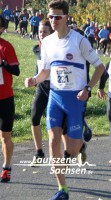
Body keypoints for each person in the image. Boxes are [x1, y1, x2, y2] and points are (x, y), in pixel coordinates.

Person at [24, 1, 105, 199]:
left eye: (57, 17)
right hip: (55, 96)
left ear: (66, 17)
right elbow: (45, 71)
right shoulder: (48, 42)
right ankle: (62, 190)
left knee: (72, 149)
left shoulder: (79, 40)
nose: (53, 20)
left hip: (76, 98)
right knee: (52, 140)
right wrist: (35, 80)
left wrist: (88, 88)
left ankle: (77, 149)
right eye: (51, 17)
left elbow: (100, 67)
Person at [30, 20, 54, 164]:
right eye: (40, 32)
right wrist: (33, 79)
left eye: (45, 32)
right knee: (34, 117)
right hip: (42, 87)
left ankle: (76, 147)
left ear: (51, 33)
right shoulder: (37, 49)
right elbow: (38, 68)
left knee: (58, 124)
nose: (42, 34)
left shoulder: (57, 48)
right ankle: (39, 152)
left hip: (56, 88)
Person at [0, 16, 20, 183]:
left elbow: (17, 71)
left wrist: (4, 64)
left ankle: (6, 167)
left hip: (5, 98)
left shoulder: (6, 47)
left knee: (5, 136)